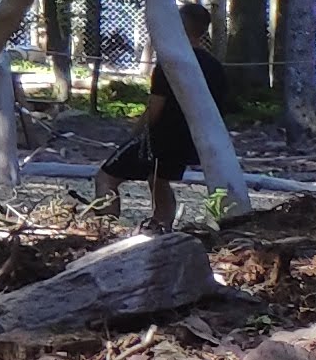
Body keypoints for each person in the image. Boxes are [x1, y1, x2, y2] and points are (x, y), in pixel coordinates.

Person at [100, 39, 234, 234]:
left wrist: (137, 133)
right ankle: (162, 229)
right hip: (193, 135)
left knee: (106, 178)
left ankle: (105, 229)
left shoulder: (170, 63)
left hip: (161, 135)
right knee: (158, 179)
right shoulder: (214, 66)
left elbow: (156, 106)